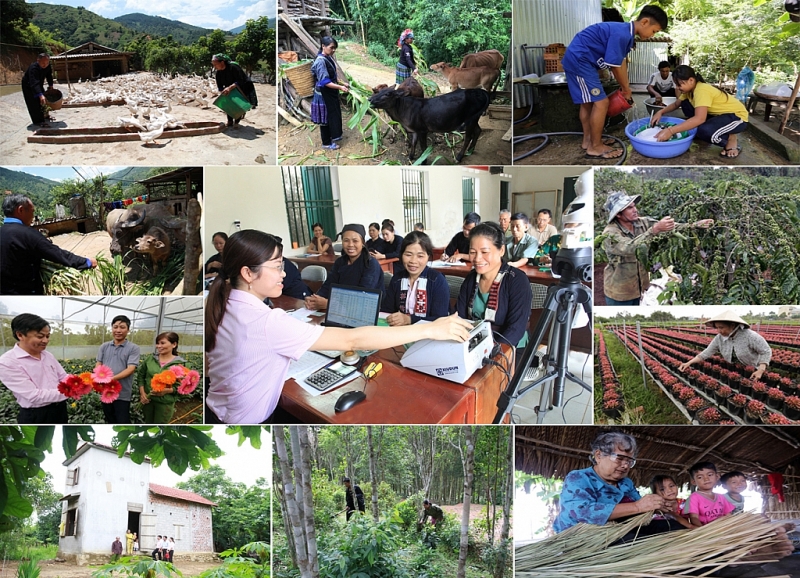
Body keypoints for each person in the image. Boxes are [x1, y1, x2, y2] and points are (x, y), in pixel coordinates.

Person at [204, 230, 472, 423]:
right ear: (248, 273)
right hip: (246, 419)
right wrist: (428, 328)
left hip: (219, 409)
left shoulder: (223, 301)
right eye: (276, 266)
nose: (284, 273)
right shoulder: (266, 321)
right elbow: (352, 341)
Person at [561, 5, 668, 159]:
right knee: (601, 102)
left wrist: (626, 86)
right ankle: (595, 147)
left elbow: (621, 62)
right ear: (644, 22)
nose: (652, 35)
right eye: (654, 31)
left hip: (582, 61)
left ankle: (589, 141)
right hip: (580, 61)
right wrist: (626, 89)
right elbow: (615, 66)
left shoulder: (626, 34)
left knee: (588, 102)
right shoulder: (622, 34)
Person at [601, 191, 713, 305]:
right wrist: (653, 230)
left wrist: (694, 225)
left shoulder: (642, 222)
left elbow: (670, 227)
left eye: (634, 206)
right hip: (621, 292)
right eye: (629, 208)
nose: (635, 210)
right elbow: (629, 248)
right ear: (618, 214)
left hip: (641, 287)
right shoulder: (610, 233)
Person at [553, 432, 669, 534]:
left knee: (670, 526)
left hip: (618, 529)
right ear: (599, 456)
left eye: (629, 461)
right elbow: (582, 512)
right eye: (619, 458)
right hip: (582, 536)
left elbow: (638, 506)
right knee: (630, 542)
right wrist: (637, 506)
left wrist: (655, 507)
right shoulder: (578, 478)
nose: (625, 465)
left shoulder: (626, 483)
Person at [456, 222, 532, 366]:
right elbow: (460, 316)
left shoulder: (517, 280)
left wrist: (490, 354)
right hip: (475, 343)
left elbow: (515, 329)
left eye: (484, 252)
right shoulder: (471, 279)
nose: (477, 258)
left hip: (509, 347)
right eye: (473, 252)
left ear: (501, 250)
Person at [1, 195, 97, 295]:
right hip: (25, 297)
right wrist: (86, 262)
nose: (33, 216)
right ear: (20, 210)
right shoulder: (28, 234)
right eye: (32, 211)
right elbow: (56, 253)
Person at [652, 65, 749, 158]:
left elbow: (700, 118)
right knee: (685, 104)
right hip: (719, 116)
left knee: (704, 131)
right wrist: (660, 112)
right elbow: (676, 104)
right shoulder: (689, 91)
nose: (677, 88)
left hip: (737, 117)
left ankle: (730, 139)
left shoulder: (701, 90)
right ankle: (715, 130)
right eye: (676, 84)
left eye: (679, 84)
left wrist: (670, 131)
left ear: (691, 80)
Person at [0, 313, 69, 423]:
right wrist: (70, 391)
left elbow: (63, 376)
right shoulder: (7, 362)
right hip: (36, 415)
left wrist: (79, 382)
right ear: (20, 335)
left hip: (60, 408)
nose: (45, 340)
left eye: (47, 336)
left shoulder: (47, 355)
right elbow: (34, 396)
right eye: (40, 336)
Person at [304, 224, 384, 311]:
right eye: (346, 240)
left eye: (355, 241)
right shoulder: (340, 262)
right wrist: (315, 299)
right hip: (340, 308)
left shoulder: (371, 264)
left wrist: (329, 304)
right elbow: (328, 285)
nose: (350, 245)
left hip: (365, 310)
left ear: (363, 243)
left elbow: (363, 296)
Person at [678, 311, 772, 381]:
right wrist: (689, 363)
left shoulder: (750, 336)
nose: (718, 331)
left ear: (732, 325)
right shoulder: (719, 338)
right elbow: (706, 352)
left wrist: (761, 369)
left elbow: (766, 351)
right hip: (733, 368)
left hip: (752, 370)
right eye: (717, 327)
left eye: (721, 327)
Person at [382, 232, 450, 326]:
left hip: (428, 335)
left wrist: (409, 320)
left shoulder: (437, 280)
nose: (413, 261)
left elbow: (440, 319)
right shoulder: (397, 279)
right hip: (400, 333)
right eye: (408, 254)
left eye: (420, 256)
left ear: (428, 256)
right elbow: (386, 311)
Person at [96, 315, 140, 424]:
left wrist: (111, 379)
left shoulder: (133, 348)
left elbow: (131, 369)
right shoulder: (104, 346)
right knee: (109, 419)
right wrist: (98, 376)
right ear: (112, 329)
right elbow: (98, 364)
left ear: (128, 330)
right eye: (115, 327)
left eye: (122, 327)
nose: (118, 330)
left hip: (122, 393)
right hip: (105, 391)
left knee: (122, 420)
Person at [137, 332, 185, 424]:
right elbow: (141, 376)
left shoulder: (180, 364)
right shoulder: (150, 359)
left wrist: (167, 391)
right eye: (157, 343)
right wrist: (142, 394)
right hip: (148, 401)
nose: (159, 346)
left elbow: (183, 387)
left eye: (162, 343)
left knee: (161, 427)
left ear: (174, 344)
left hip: (165, 403)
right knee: (147, 424)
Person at [310, 36, 350, 150]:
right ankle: (326, 143)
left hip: (329, 93)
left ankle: (332, 136)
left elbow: (331, 76)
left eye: (335, 48)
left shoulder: (328, 57)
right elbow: (325, 82)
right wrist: (340, 87)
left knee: (331, 115)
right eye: (332, 48)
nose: (333, 50)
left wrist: (341, 82)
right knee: (325, 119)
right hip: (323, 94)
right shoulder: (320, 61)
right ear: (323, 46)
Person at [212, 53, 257, 127]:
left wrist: (230, 88)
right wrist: (222, 92)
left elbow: (240, 80)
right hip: (230, 87)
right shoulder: (219, 73)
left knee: (238, 103)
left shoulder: (233, 67)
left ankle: (236, 121)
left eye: (215, 64)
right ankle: (229, 121)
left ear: (222, 62)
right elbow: (219, 85)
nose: (214, 66)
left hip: (243, 85)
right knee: (228, 103)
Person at [686, 462, 735, 526]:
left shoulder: (721, 497)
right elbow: (694, 518)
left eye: (710, 475)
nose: (706, 479)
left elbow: (728, 515)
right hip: (707, 531)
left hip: (723, 528)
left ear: (717, 476)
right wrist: (702, 531)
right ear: (694, 482)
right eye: (700, 477)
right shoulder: (693, 498)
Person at [21, 53, 54, 127]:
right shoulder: (33, 68)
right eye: (43, 63)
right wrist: (40, 94)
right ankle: (38, 121)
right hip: (28, 85)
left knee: (43, 100)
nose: (45, 65)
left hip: (38, 84)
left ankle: (45, 116)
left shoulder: (48, 66)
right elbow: (34, 82)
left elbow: (49, 76)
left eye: (47, 63)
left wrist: (51, 85)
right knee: (34, 102)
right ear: (38, 61)